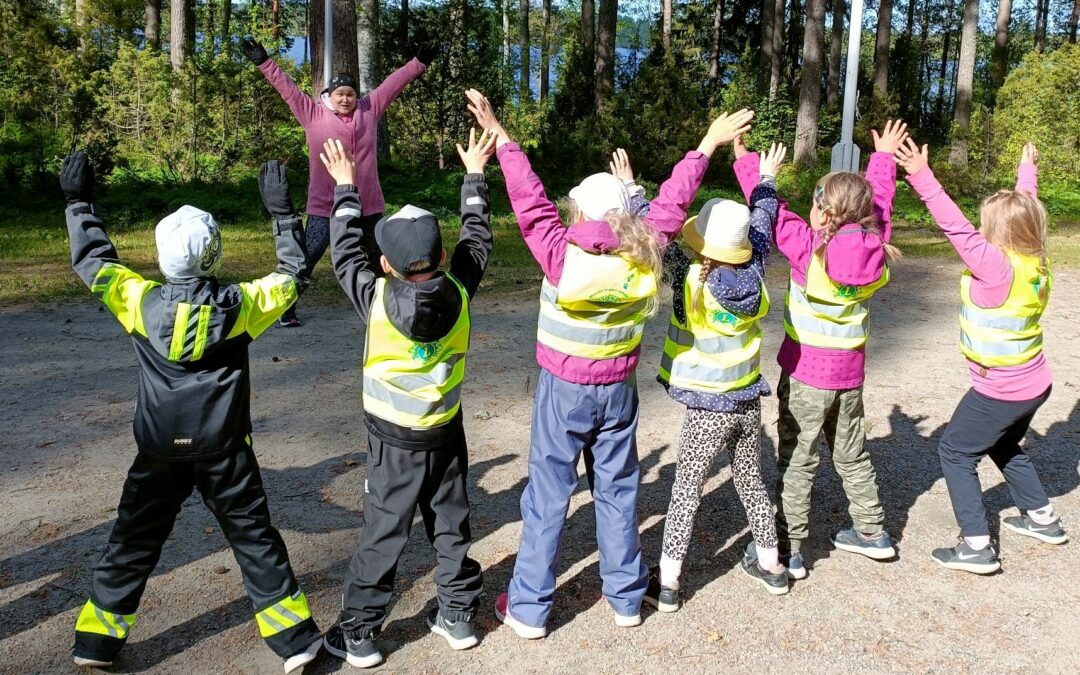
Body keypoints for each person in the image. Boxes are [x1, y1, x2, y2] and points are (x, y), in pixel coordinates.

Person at [466, 87, 754, 637]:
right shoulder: (646, 247)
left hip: (562, 389)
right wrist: (707, 145)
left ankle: (529, 608)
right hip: (618, 391)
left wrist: (503, 137)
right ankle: (625, 597)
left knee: (548, 494)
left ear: (577, 211)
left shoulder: (558, 251)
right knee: (619, 491)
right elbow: (670, 203)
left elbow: (529, 202)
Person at [61, 152, 321, 673]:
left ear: (161, 257)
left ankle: (95, 641)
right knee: (254, 539)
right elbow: (293, 274)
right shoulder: (241, 305)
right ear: (215, 254)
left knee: (132, 540)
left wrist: (78, 203)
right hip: (225, 450)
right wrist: (282, 215)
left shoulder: (140, 301)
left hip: (158, 449)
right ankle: (294, 640)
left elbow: (95, 263)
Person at [318, 129, 495, 668]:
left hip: (392, 437)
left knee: (384, 527)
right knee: (450, 521)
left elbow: (345, 250)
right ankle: (459, 615)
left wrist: (345, 189)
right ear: (443, 256)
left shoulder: (374, 299)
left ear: (385, 265)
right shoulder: (460, 286)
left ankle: (361, 632)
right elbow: (478, 239)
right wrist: (474, 178)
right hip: (444, 428)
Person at [740, 120, 908, 578]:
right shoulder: (877, 248)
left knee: (797, 458)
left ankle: (789, 548)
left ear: (823, 213)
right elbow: (882, 206)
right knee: (851, 452)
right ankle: (872, 532)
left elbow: (771, 214)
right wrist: (883, 159)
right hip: (849, 375)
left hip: (805, 373)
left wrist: (751, 165)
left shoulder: (808, 249)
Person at [895, 139, 1068, 574]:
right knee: (1003, 442)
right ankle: (1042, 517)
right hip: (1034, 383)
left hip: (1001, 387)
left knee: (955, 450)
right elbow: (1025, 206)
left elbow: (955, 227)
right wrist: (1026, 170)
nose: (980, 227)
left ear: (1000, 233)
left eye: (987, 223)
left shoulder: (995, 266)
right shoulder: (1034, 260)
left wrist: (921, 175)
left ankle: (975, 545)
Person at [646, 142, 789, 610]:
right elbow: (764, 220)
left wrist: (632, 189)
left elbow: (657, 235)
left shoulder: (690, 276)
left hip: (708, 405)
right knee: (751, 480)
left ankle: (667, 582)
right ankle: (771, 565)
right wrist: (764, 178)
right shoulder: (757, 267)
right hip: (749, 397)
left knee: (686, 488)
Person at [242, 37, 436, 326]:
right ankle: (285, 308)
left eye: (349, 93)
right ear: (329, 95)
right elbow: (287, 89)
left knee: (378, 258)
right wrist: (263, 61)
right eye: (339, 94)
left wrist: (418, 63)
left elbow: (394, 84)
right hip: (325, 207)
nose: (345, 99)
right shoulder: (313, 114)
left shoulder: (369, 110)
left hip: (368, 206)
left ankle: (387, 306)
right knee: (305, 258)